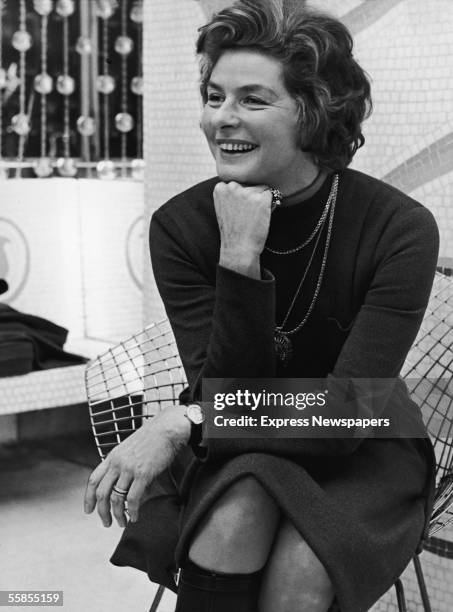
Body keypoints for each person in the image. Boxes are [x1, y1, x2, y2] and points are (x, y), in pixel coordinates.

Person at [84, 1, 439, 610]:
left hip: (362, 442)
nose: (222, 119)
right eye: (214, 96)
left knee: (307, 561)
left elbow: (350, 409)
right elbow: (223, 381)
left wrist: (185, 420)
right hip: (237, 438)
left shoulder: (398, 227)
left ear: (315, 111)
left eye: (252, 100)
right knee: (235, 513)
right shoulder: (182, 226)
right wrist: (240, 259)